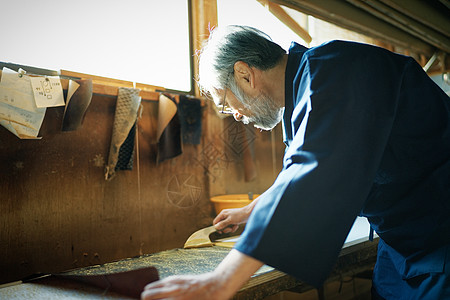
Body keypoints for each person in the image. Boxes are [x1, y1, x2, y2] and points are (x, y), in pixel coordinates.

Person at [141, 25, 450, 300]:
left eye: (226, 103)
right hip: (401, 241)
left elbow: (311, 175)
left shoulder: (332, 71)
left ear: (244, 74)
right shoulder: (305, 90)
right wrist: (252, 209)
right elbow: (298, 174)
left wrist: (219, 282)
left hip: (439, 230)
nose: (235, 114)